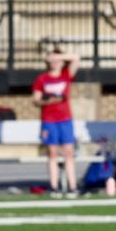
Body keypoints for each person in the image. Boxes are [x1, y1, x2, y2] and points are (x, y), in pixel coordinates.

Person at [32, 47, 80, 198]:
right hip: (49, 121)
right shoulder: (42, 79)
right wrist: (49, 100)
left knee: (69, 152)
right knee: (52, 153)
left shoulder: (66, 75)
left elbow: (76, 58)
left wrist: (59, 56)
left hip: (65, 120)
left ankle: (72, 187)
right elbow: (36, 100)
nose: (54, 62)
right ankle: (54, 187)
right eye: (51, 59)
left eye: (57, 60)